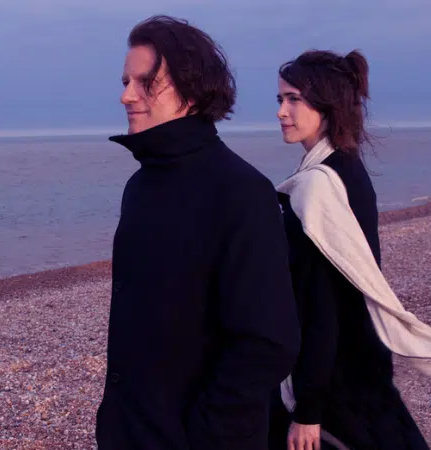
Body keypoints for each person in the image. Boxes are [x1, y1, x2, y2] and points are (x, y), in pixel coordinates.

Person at [95, 15, 301, 450]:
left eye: (145, 82)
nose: (126, 95)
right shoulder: (141, 184)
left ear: (191, 88)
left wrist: (205, 433)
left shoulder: (240, 191)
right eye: (126, 81)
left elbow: (268, 340)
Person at [269, 49, 431, 450]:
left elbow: (324, 303)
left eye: (293, 99)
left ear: (327, 104)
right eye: (280, 100)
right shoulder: (345, 170)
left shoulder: (320, 187)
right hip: (357, 363)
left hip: (336, 377)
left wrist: (308, 409)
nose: (282, 111)